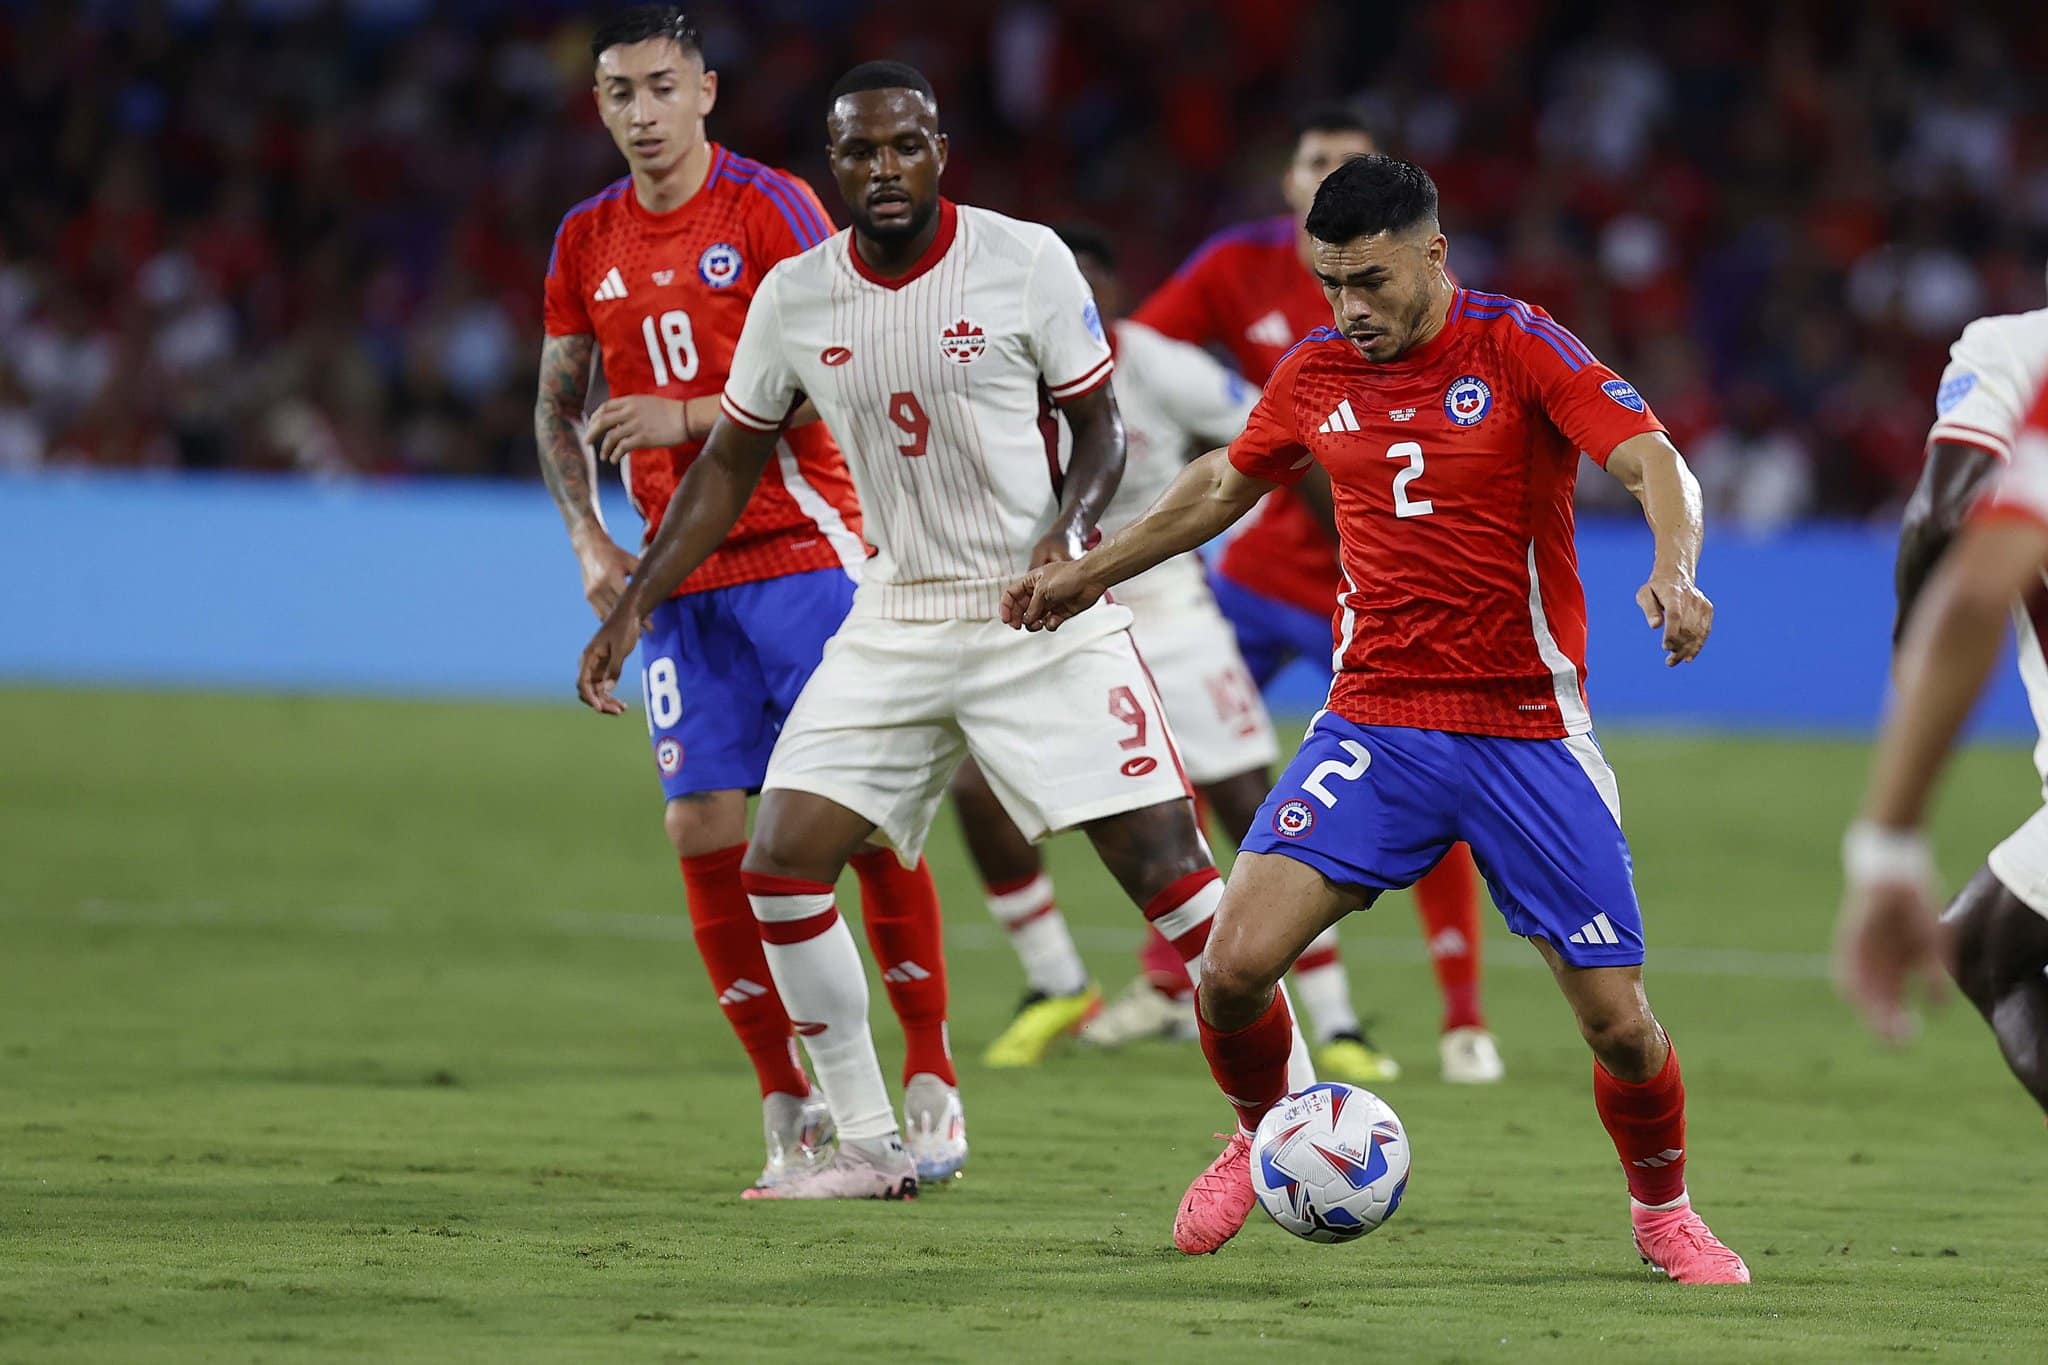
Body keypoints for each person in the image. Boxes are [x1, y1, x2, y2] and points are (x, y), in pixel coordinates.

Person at [1008, 154, 1749, 1282]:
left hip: (1525, 732)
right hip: (1377, 725)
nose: (1349, 309)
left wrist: (1673, 568)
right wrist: (1086, 571)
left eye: (1370, 281)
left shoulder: (1517, 345)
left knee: (1616, 1023)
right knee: (1232, 967)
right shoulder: (1313, 371)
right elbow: (1223, 484)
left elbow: (1648, 456)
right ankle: (1261, 1136)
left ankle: (1663, 1214)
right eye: (1328, 284)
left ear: (1432, 256)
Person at [577, 61, 1309, 1200]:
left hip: (1039, 612)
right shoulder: (797, 294)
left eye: (902, 147)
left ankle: (1290, 1123)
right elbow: (726, 468)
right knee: (779, 860)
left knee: (1170, 875)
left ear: (939, 151)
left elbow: (1098, 428)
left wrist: (1067, 540)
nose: (882, 170)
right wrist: (631, 601)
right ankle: (867, 1145)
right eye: (859, 153)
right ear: (834, 166)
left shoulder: (1021, 260)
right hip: (896, 615)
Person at [536, 7, 953, 1193]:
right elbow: (556, 402)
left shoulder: (769, 208)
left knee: (857, 820)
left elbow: (855, 363)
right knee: (703, 828)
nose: (640, 113)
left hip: (806, 552)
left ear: (705, 92)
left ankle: (928, 1078)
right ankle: (789, 1105)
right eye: (618, 92)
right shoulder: (585, 238)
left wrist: (688, 414)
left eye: (660, 87)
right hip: (678, 578)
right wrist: (588, 543)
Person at [1125, 106, 1500, 1086]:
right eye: (1309, 160)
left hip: (1366, 583)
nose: (1322, 175)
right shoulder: (1233, 269)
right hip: (1251, 574)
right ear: (1290, 185)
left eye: (1343, 163)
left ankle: (1459, 1013)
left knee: (1423, 772)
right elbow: (1130, 355)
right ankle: (1170, 980)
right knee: (1175, 750)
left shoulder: (1425, 311)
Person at [966, 225, 1279, 1068]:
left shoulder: (1160, 365)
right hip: (1047, 609)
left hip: (1167, 605)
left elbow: (1269, 431)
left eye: (1090, 283)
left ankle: (1321, 1015)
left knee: (1244, 800)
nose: (1079, 303)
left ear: (1112, 290)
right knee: (974, 786)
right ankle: (1057, 979)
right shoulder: (998, 367)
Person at [1839, 295, 2048, 1104]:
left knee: (1986, 951)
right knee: (1989, 942)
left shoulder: (2015, 348)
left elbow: (1943, 516)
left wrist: (1888, 841)